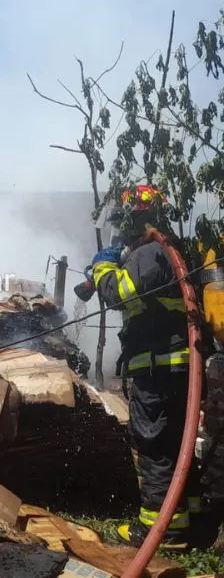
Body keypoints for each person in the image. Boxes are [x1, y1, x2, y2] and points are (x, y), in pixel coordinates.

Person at [90, 184, 202, 547]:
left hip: (158, 367)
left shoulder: (150, 253)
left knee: (155, 442)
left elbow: (117, 293)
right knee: (179, 441)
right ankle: (189, 516)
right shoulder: (172, 251)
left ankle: (160, 529)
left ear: (136, 219)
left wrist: (102, 267)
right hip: (178, 365)